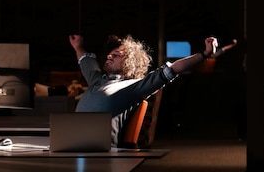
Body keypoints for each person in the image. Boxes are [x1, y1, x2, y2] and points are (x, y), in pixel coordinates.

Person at [68, 33, 238, 147]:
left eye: (116, 55)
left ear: (129, 61)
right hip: (72, 142)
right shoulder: (98, 80)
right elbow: (86, 61)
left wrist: (205, 54)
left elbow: (173, 69)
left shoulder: (134, 87)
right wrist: (77, 46)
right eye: (109, 54)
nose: (109, 56)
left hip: (98, 150)